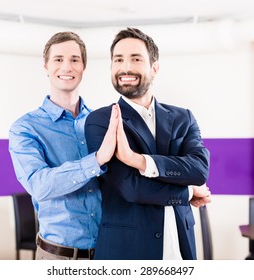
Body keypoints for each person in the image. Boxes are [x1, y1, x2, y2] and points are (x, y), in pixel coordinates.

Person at [85, 27, 212, 260]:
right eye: (118, 60)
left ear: (154, 68)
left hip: (180, 248)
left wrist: (137, 160)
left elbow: (199, 169)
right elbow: (130, 188)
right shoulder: (101, 121)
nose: (125, 68)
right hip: (126, 251)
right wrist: (188, 191)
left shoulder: (184, 117)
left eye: (136, 59)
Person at [8, 31, 118, 260]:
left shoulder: (102, 123)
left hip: (108, 253)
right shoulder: (25, 128)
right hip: (58, 258)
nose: (66, 67)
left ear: (84, 67)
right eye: (58, 59)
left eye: (74, 60)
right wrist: (96, 160)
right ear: (46, 66)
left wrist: (184, 190)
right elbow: (39, 185)